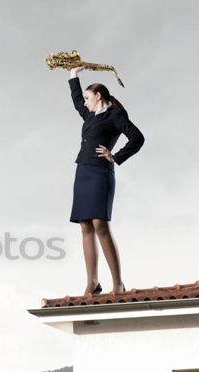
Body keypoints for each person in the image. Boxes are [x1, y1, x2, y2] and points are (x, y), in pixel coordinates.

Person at [67, 65, 144, 295]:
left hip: (101, 173)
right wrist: (73, 75)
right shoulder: (89, 114)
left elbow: (137, 138)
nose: (85, 102)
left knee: (100, 224)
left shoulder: (115, 115)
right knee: (85, 225)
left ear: (98, 96)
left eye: (88, 98)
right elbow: (76, 98)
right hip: (82, 171)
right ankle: (92, 282)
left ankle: (118, 283)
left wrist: (115, 156)